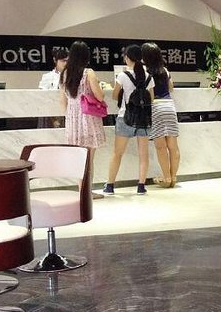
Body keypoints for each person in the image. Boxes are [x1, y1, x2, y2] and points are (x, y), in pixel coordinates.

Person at [103, 45, 152, 195]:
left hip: (125, 118)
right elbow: (151, 99)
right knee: (143, 155)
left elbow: (114, 95)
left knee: (117, 153)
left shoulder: (123, 76)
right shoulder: (148, 76)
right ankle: (141, 186)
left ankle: (110, 185)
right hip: (143, 119)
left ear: (127, 58)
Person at [60, 41, 107, 198]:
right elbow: (100, 96)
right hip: (88, 117)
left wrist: (70, 117)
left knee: (78, 158)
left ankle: (82, 190)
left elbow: (63, 101)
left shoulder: (64, 74)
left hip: (72, 118)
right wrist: (100, 85)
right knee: (89, 159)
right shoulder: (89, 73)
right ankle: (87, 193)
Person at [142, 42, 180, 188]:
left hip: (155, 107)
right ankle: (173, 177)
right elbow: (171, 88)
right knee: (173, 146)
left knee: (161, 146)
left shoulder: (144, 71)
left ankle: (166, 178)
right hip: (169, 106)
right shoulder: (165, 70)